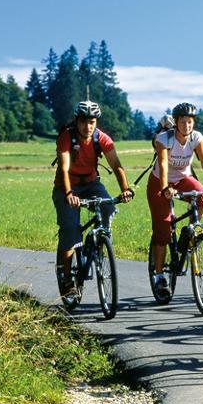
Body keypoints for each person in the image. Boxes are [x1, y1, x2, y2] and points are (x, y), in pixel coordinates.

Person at [53, 100, 134, 298]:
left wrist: (125, 189)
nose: (87, 127)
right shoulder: (67, 137)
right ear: (76, 121)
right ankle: (66, 279)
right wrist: (70, 194)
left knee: (108, 206)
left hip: (91, 184)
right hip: (66, 187)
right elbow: (64, 168)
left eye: (92, 122)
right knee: (71, 231)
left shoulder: (102, 139)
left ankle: (99, 241)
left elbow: (116, 165)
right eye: (83, 122)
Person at [148, 102, 203, 296]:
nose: (187, 126)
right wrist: (165, 188)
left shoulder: (196, 138)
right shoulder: (164, 138)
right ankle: (159, 276)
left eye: (190, 122)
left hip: (184, 178)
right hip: (160, 181)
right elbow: (164, 164)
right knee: (163, 229)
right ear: (175, 123)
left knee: (202, 198)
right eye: (183, 122)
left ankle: (190, 231)